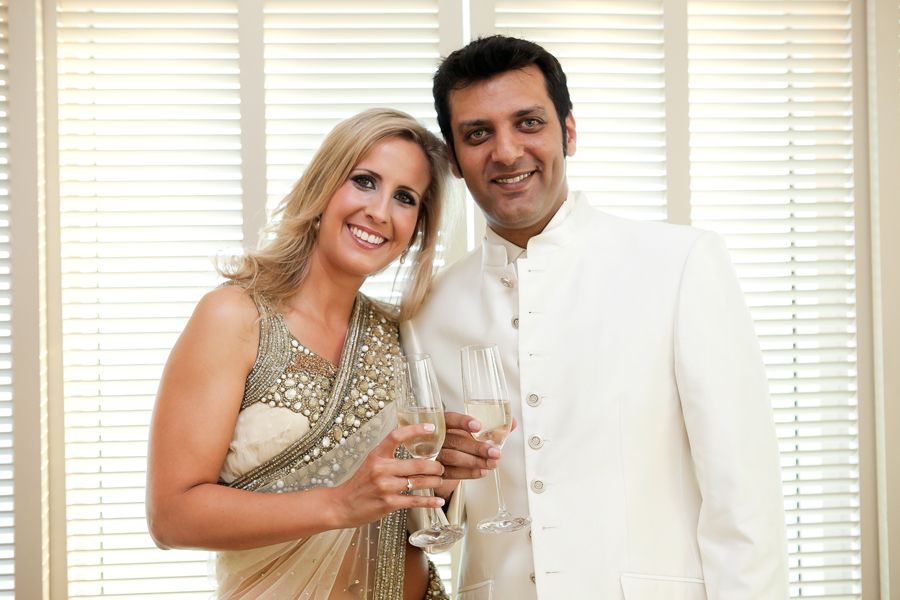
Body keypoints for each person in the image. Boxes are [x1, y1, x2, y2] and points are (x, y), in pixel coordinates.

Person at [403, 36, 789, 599]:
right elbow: (429, 508)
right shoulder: (427, 310)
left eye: (529, 123)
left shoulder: (681, 264)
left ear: (569, 132)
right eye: (478, 134)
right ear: (456, 161)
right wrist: (443, 479)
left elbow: (743, 490)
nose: (506, 152)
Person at [146, 108, 452, 599]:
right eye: (364, 181)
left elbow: (416, 513)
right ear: (323, 186)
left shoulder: (404, 333)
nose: (380, 212)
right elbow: (170, 517)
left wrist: (448, 476)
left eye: (405, 197)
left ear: (416, 227)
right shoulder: (235, 317)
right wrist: (339, 504)